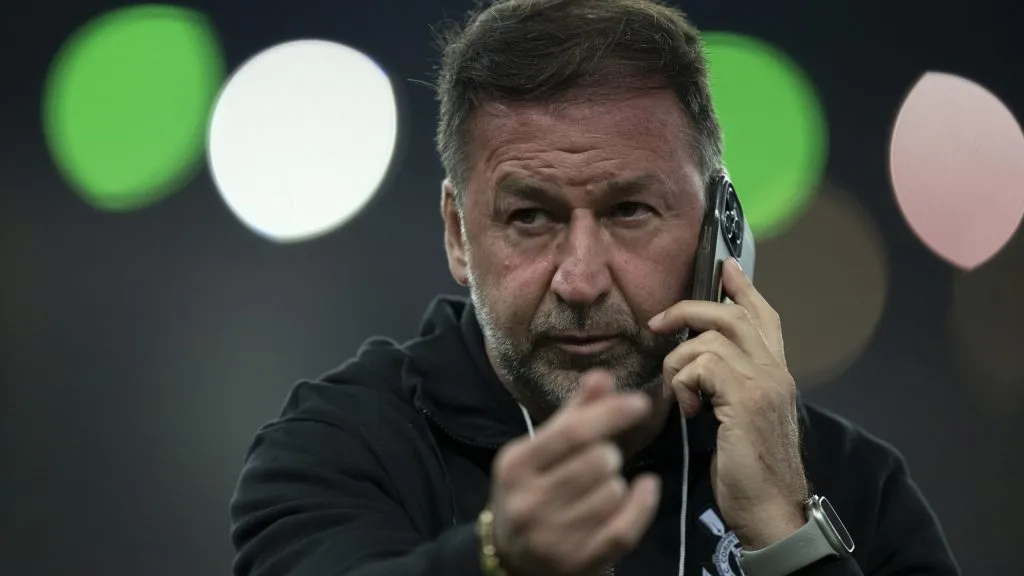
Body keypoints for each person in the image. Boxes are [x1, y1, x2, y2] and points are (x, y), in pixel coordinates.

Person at [229, 1, 960, 574]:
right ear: (458, 233)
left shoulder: (846, 480)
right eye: (529, 216)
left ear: (719, 231)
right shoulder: (340, 445)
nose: (580, 281)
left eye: (630, 211)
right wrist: (498, 560)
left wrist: (788, 536)